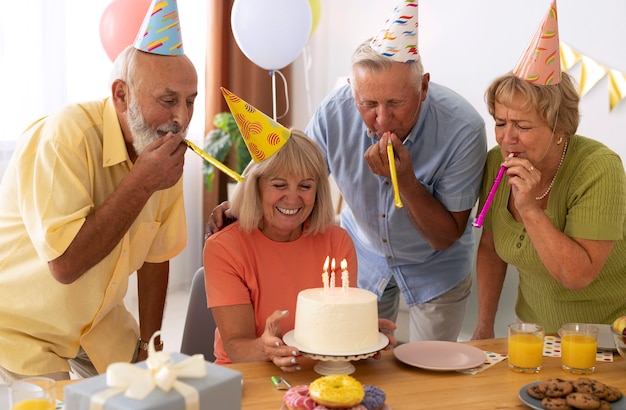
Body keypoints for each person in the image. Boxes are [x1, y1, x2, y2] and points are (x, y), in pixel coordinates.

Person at [208, 2, 487, 343]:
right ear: (352, 91)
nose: (382, 120)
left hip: (435, 267)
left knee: (429, 372)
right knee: (359, 357)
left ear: (424, 87)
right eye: (368, 104)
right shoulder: (334, 113)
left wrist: (408, 183)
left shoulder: (463, 129)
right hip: (364, 256)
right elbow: (292, 168)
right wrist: (241, 203)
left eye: (396, 104)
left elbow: (445, 237)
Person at [0, 0, 197, 383]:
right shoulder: (66, 137)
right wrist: (142, 181)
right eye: (168, 100)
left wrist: (149, 348)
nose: (183, 119)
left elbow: (157, 257)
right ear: (121, 95)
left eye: (190, 101)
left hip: (98, 325)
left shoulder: (161, 150)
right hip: (21, 328)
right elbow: (66, 265)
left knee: (154, 396)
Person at [204, 89, 396, 370]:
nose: (293, 199)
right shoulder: (224, 248)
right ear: (255, 185)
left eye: (305, 186)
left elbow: (335, 330)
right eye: (279, 185)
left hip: (321, 371)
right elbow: (236, 346)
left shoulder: (337, 242)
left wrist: (358, 336)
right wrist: (264, 347)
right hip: (249, 374)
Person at [471, 0, 626, 339]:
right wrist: (484, 324)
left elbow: (577, 276)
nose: (507, 138)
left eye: (523, 126)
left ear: (560, 127)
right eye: (500, 122)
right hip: (535, 336)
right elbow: (490, 246)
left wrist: (527, 207)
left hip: (607, 338)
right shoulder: (497, 160)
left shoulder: (600, 168)